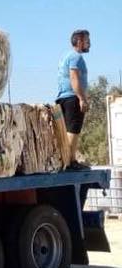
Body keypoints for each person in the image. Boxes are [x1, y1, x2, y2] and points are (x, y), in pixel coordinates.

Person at [56, 29, 91, 169]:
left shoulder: (66, 56)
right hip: (72, 98)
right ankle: (70, 162)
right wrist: (81, 98)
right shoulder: (76, 57)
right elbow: (74, 78)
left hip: (63, 98)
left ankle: (67, 161)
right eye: (87, 41)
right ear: (79, 41)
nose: (89, 44)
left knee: (66, 131)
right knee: (73, 130)